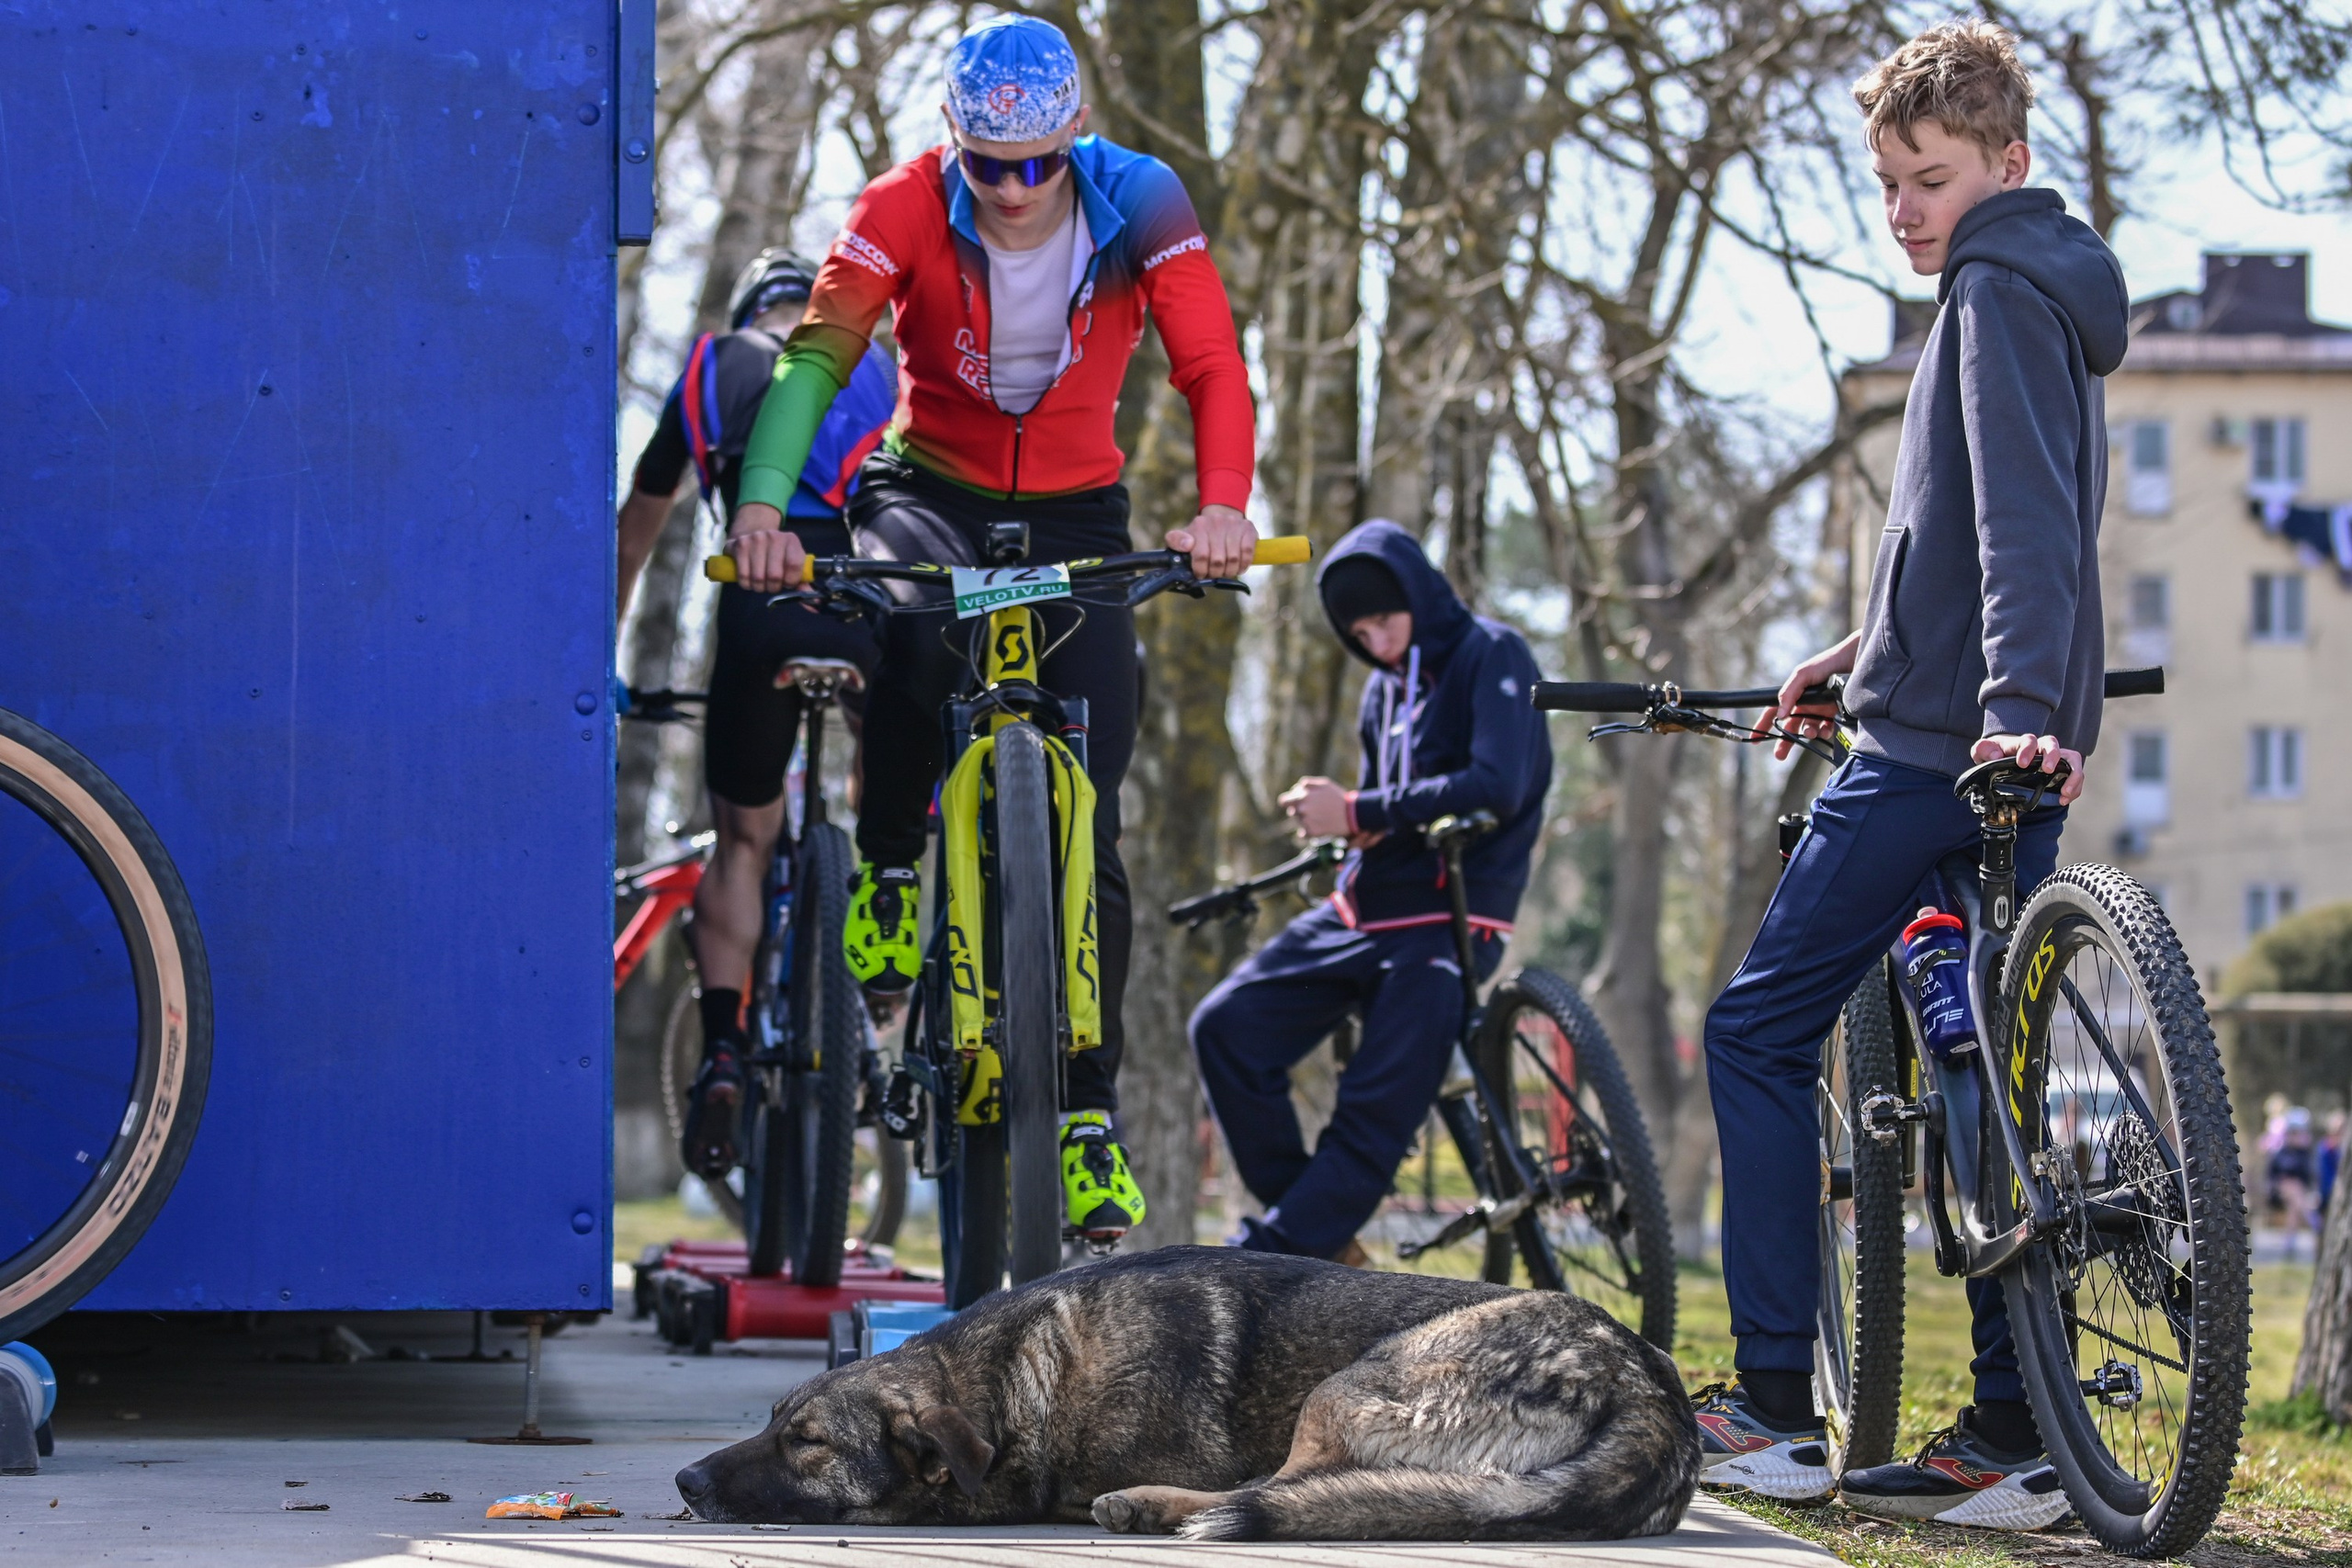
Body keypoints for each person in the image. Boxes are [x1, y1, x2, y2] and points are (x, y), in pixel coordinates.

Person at [722, 15, 1259, 1242]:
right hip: (931, 487)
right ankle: (899, 870)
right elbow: (816, 358)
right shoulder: (905, 202)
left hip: (1080, 506)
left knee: (1095, 813)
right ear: (955, 143)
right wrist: (763, 508)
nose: (1015, 193)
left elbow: (1212, 363)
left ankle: (1085, 1117)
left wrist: (1223, 505)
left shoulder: (1143, 199)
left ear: (1075, 135)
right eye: (988, 166)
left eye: (1038, 165)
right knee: (910, 624)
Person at [1691, 21, 2127, 1531]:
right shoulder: (2040, 288)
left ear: (2005, 163)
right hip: (1983, 731)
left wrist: (1999, 702)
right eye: (1887, 185)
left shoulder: (1997, 290)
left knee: (1750, 1032)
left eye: (1928, 179)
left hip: (1950, 751)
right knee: (1976, 1066)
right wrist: (1861, 647)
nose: (1905, 212)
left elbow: (2019, 525)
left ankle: (1760, 1412)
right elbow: (1974, 538)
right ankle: (2015, 1427)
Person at [1190, 522, 1550, 1262]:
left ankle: (1273, 1254)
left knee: (1373, 1108)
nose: (1378, 642)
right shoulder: (1380, 692)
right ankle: (1319, 1233)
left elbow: (1500, 783)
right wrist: (1346, 823)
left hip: (1451, 918)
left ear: (1418, 594)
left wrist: (1358, 810)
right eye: (1360, 631)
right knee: (1224, 1026)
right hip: (1361, 909)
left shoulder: (1493, 654)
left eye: (1386, 620)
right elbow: (1386, 804)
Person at [616, 248, 899, 1179]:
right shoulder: (878, 362)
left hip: (758, 589)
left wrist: (600, 656)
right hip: (871, 590)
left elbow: (640, 522)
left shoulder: (712, 368)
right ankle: (877, 934)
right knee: (889, 772)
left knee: (742, 839)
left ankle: (726, 1047)